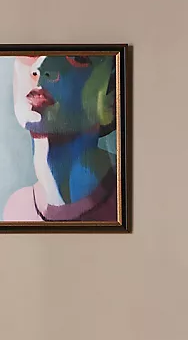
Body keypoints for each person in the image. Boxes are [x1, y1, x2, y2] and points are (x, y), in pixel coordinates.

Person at [3, 54, 118, 222]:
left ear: (111, 96)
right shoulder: (16, 210)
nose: (39, 69)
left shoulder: (133, 197)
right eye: (29, 54)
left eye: (77, 58)